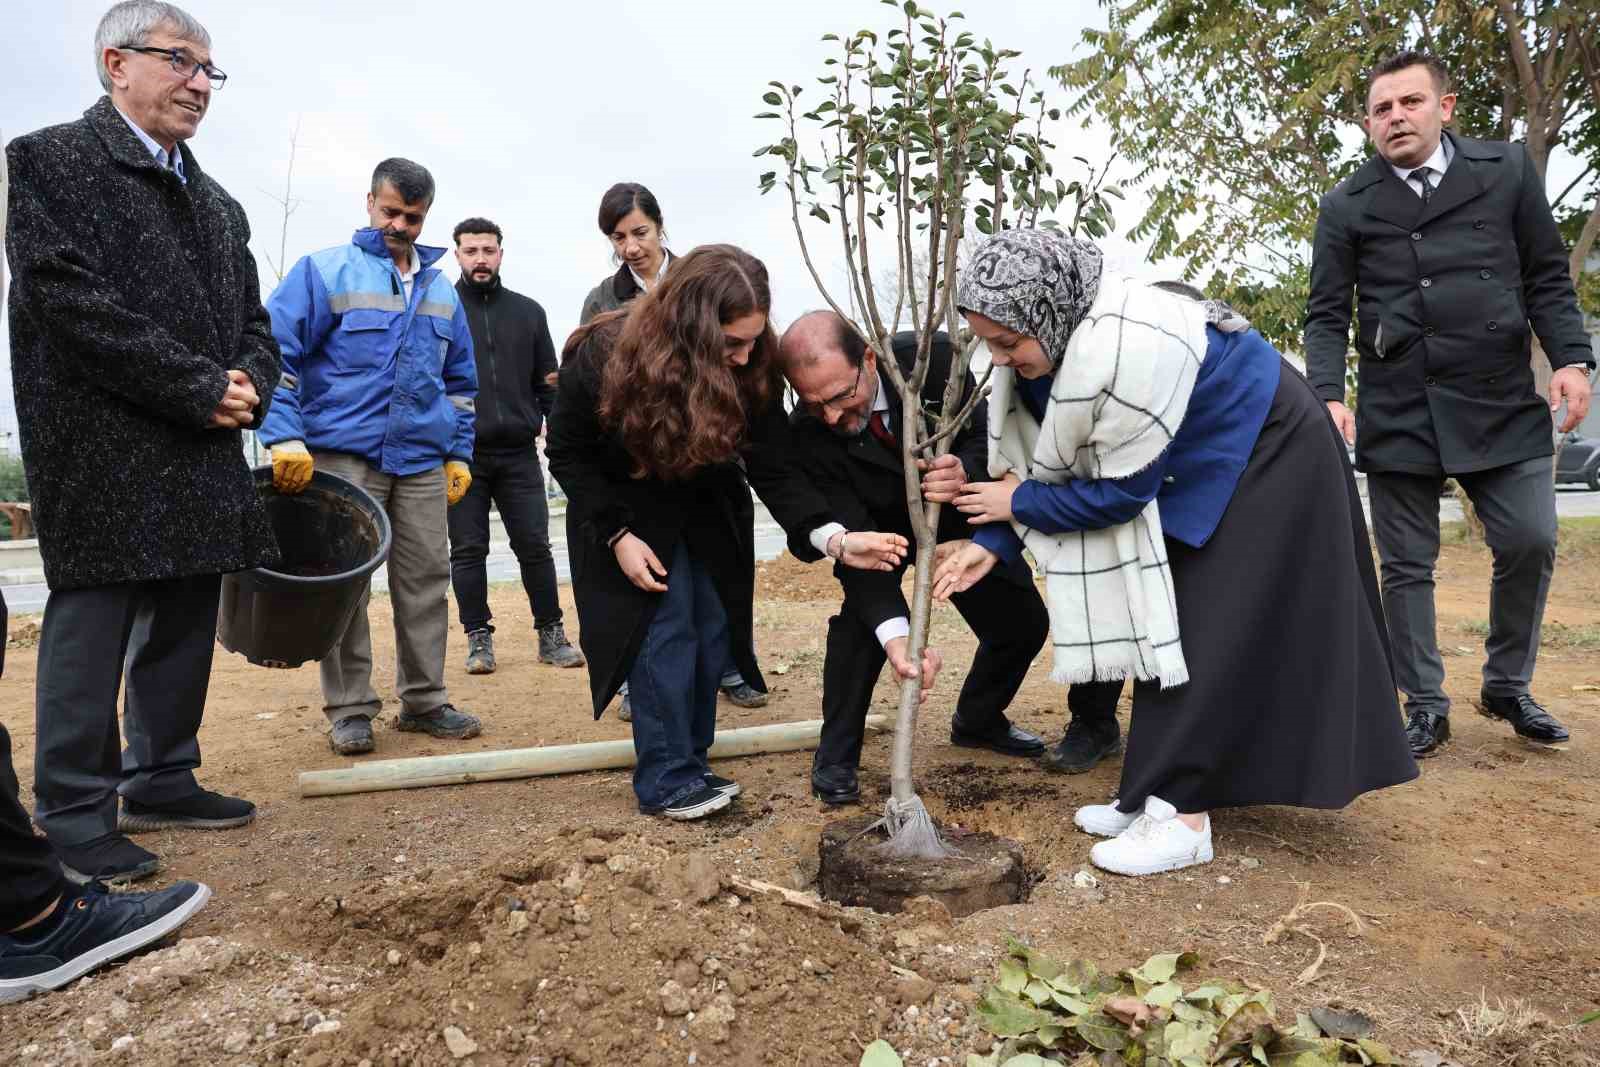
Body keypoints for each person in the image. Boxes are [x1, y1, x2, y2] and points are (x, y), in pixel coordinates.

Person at [936, 229, 1418, 876]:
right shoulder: (1046, 347)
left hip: (1268, 446)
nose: (996, 359)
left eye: (1008, 342)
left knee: (1201, 621)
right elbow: (1039, 461)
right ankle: (1148, 791)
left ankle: (1183, 818)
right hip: (1195, 456)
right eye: (987, 342)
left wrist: (1014, 509)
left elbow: (1116, 495)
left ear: (1046, 316)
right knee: (1158, 610)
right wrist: (993, 542)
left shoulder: (1127, 349)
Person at [5, 0, 277, 884]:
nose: (200, 84)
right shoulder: (48, 162)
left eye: (209, 71)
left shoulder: (220, 202)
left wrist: (248, 382)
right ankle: (78, 813)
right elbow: (67, 302)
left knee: (186, 616)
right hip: (103, 443)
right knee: (95, 618)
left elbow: (254, 323)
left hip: (200, 442)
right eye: (180, 62)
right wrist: (197, 386)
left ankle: (162, 774)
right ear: (115, 64)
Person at [547, 245, 907, 820]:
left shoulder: (754, 365)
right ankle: (666, 779)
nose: (742, 359)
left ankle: (692, 761)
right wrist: (617, 535)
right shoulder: (604, 355)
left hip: (709, 512)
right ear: (688, 329)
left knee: (710, 627)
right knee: (662, 632)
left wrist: (834, 538)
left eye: (751, 341)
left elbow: (772, 465)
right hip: (629, 517)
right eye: (729, 344)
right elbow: (566, 454)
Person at [1305, 51, 1593, 758]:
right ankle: (1425, 703)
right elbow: (1325, 314)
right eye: (1382, 109)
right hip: (1400, 402)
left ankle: (1506, 683)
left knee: (1530, 538)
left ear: (1447, 106)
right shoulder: (1347, 204)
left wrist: (1571, 360)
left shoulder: (1506, 172)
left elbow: (1549, 277)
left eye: (1410, 102)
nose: (1396, 117)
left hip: (1499, 395)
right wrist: (1327, 395)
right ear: (1368, 123)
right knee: (1406, 565)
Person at [778, 312, 1102, 806]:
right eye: (814, 402)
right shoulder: (806, 433)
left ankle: (978, 720)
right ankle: (837, 755)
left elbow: (980, 435)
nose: (832, 416)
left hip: (948, 519)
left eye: (843, 396)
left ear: (869, 358)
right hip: (874, 535)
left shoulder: (932, 361)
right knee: (864, 631)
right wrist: (897, 635)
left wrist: (963, 470)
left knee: (1022, 624)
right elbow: (852, 545)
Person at [258, 158, 482, 757]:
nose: (400, 225)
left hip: (420, 463)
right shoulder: (324, 271)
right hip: (342, 456)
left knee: (427, 580)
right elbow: (272, 354)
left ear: (425, 215)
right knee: (345, 585)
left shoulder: (440, 289)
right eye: (390, 212)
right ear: (368, 203)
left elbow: (460, 380)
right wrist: (283, 435)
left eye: (412, 216)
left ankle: (426, 700)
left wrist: (458, 453)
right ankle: (351, 709)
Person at [579, 182, 768, 718]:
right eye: (619, 237)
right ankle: (643, 683)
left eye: (640, 232)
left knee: (720, 572)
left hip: (710, 452)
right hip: (651, 452)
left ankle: (731, 663)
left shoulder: (708, 284)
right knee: (663, 589)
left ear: (660, 226)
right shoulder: (604, 301)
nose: (632, 246)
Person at [448, 217, 582, 674]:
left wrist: (557, 435)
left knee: (534, 545)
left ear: (501, 253)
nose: (480, 259)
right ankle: (478, 639)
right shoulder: (440, 310)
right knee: (467, 549)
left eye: (488, 250)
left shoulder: (529, 312)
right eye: (471, 251)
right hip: (460, 455)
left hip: (521, 454)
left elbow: (548, 384)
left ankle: (551, 633)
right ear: (458, 255)